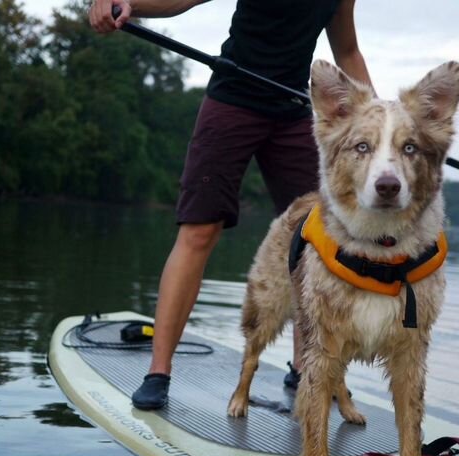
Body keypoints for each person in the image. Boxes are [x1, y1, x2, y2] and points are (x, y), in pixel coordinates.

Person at [90, 0, 373, 409]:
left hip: (292, 108)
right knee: (200, 229)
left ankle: (305, 368)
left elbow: (347, 51)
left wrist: (377, 115)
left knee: (316, 239)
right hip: (234, 100)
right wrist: (129, 4)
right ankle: (158, 371)